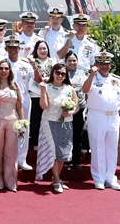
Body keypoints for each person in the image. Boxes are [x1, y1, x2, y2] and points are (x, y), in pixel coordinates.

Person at [82, 51, 120, 191]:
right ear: (96, 65)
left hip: (113, 117)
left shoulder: (117, 80)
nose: (104, 66)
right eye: (101, 64)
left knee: (112, 148)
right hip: (97, 116)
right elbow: (84, 90)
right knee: (97, 148)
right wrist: (91, 74)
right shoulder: (92, 79)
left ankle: (110, 177)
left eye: (106, 64)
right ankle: (99, 178)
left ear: (111, 65)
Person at [36, 63, 79, 193]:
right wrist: (43, 91)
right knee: (54, 151)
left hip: (66, 123)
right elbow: (43, 106)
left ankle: (57, 178)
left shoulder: (69, 88)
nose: (60, 76)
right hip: (50, 122)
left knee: (62, 152)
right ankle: (56, 178)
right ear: (53, 73)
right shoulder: (47, 87)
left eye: (63, 74)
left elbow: (76, 106)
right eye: (58, 73)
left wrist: (70, 112)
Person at [0, 59, 24, 191]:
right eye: (1, 68)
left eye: (6, 68)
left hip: (12, 121)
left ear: (10, 71)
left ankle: (11, 182)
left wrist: (22, 122)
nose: (3, 71)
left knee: (11, 153)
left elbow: (19, 105)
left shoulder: (14, 85)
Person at [4, 36, 39, 171]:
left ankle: (22, 159)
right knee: (8, 129)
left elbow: (36, 79)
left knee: (24, 128)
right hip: (7, 101)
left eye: (15, 47)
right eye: (10, 47)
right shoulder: (3, 64)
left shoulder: (26, 64)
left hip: (24, 99)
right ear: (6, 48)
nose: (13, 49)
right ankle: (8, 158)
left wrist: (34, 66)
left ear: (19, 48)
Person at [63, 51, 89, 170]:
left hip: (80, 108)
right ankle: (66, 161)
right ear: (65, 62)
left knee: (78, 134)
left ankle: (76, 160)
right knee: (66, 135)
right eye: (69, 61)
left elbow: (87, 91)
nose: (72, 63)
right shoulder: (62, 73)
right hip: (66, 109)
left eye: (74, 60)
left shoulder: (83, 73)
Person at [28, 40, 55, 151]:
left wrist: (48, 80)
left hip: (49, 95)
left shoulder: (53, 61)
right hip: (35, 95)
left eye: (44, 48)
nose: (43, 51)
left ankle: (48, 143)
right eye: (40, 49)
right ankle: (35, 144)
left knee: (48, 120)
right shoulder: (32, 61)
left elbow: (56, 76)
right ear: (36, 50)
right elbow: (31, 79)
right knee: (35, 121)